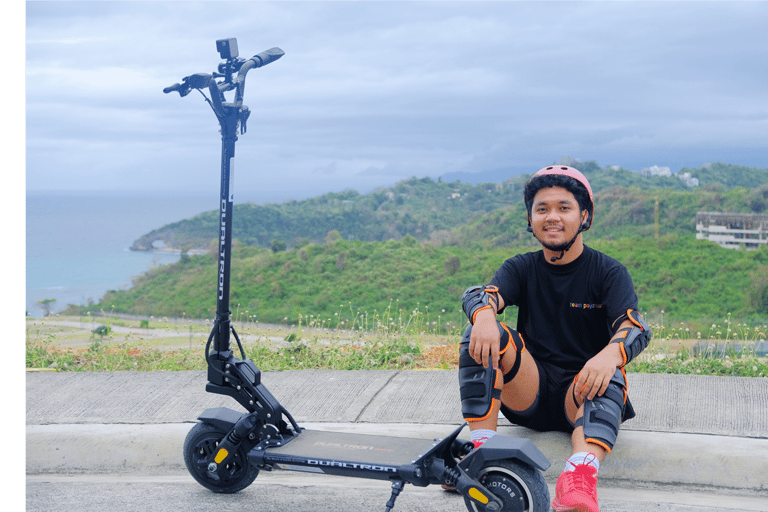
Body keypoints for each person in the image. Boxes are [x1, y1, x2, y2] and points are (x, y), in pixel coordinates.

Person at [456, 165, 651, 512]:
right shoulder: (522, 268)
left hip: (582, 395)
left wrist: (609, 354)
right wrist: (484, 313)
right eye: (542, 209)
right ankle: (482, 456)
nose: (552, 217)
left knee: (611, 371)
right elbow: (481, 294)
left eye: (564, 207)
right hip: (529, 391)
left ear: (585, 216)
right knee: (482, 331)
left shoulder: (608, 272)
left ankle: (578, 478)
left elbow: (635, 326)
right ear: (530, 219)